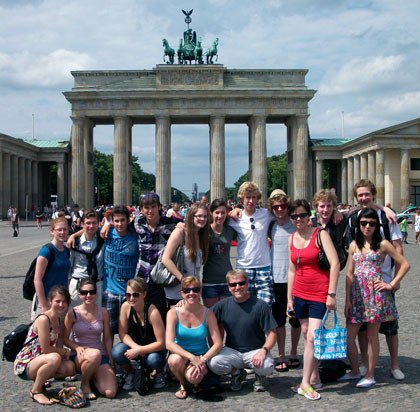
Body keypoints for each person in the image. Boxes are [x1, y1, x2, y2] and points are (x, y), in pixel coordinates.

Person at [343, 208, 410, 388]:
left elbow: (404, 264)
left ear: (376, 226)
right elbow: (349, 274)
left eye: (372, 223)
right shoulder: (353, 245)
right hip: (357, 295)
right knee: (350, 336)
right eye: (364, 223)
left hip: (376, 296)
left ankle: (370, 375)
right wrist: (347, 299)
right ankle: (356, 370)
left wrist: (391, 284)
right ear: (358, 224)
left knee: (373, 337)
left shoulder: (384, 244)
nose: (367, 226)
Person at [287, 199, 340, 401]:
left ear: (308, 215)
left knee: (313, 337)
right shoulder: (291, 238)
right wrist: (289, 299)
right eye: (294, 216)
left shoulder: (321, 234)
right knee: (306, 332)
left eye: (301, 215)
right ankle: (315, 377)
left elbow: (334, 263)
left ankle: (305, 383)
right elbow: (291, 270)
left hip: (319, 293)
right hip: (299, 293)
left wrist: (332, 293)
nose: (298, 219)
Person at [208, 269, 277, 393]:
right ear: (228, 287)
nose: (237, 287)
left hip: (255, 351)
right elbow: (202, 314)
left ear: (247, 283)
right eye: (233, 284)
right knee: (213, 363)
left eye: (241, 283)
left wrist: (264, 350)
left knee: (267, 365)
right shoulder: (222, 305)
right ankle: (238, 373)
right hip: (232, 351)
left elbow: (272, 334)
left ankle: (260, 375)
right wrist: (184, 303)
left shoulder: (261, 305)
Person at [14, 286, 76, 406]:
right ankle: (35, 391)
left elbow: (57, 343)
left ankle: (41, 383)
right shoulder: (44, 319)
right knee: (55, 358)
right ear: (50, 301)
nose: (61, 304)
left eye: (64, 301)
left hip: (41, 358)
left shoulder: (58, 319)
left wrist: (63, 353)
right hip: (26, 361)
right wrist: (63, 352)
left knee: (69, 367)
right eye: (57, 301)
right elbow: (46, 349)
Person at [166, 277, 222, 399]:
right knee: (174, 360)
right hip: (181, 356)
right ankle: (182, 383)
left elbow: (218, 343)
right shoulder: (173, 313)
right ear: (181, 293)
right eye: (187, 290)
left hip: (201, 355)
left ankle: (194, 381)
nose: (191, 293)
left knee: (193, 377)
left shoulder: (208, 313)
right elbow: (169, 343)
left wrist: (202, 360)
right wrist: (191, 357)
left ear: (200, 292)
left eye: (195, 290)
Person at [63, 279, 117, 399]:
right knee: (94, 355)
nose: (88, 295)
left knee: (110, 392)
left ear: (96, 293)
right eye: (84, 292)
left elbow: (107, 337)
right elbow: (64, 338)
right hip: (80, 355)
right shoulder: (73, 313)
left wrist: (110, 357)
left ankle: (92, 376)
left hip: (99, 355)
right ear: (79, 293)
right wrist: (76, 348)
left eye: (92, 292)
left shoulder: (103, 312)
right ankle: (85, 384)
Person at [267, 189, 301, 373]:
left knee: (295, 319)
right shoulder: (270, 224)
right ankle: (281, 355)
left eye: (283, 206)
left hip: (295, 278)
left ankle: (294, 352)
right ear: (271, 208)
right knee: (279, 319)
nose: (279, 209)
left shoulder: (296, 224)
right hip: (275, 278)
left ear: (288, 206)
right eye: (276, 206)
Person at [112, 278, 166, 391]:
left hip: (153, 349)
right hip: (134, 346)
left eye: (135, 295)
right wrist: (135, 348)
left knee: (154, 359)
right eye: (128, 295)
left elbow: (161, 343)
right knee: (117, 352)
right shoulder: (125, 307)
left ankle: (158, 372)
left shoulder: (153, 312)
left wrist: (140, 350)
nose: (131, 298)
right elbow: (122, 333)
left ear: (144, 294)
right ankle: (131, 372)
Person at [228, 181, 275, 306]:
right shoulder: (234, 219)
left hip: (264, 266)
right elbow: (214, 221)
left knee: (265, 307)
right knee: (245, 306)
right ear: (241, 198)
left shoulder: (266, 214)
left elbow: (286, 213)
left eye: (254, 197)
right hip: (244, 267)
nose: (250, 201)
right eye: (247, 197)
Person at [102, 205, 139, 338]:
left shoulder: (136, 236)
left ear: (128, 220)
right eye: (116, 221)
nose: (119, 224)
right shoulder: (106, 233)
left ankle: (128, 355)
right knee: (108, 330)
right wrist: (73, 236)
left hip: (129, 293)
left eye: (122, 220)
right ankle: (110, 358)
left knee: (130, 329)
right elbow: (87, 230)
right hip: (110, 291)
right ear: (112, 220)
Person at [162, 203, 209, 306]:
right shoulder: (180, 232)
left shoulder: (201, 236)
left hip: (193, 291)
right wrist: (183, 279)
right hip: (178, 290)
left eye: (205, 216)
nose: (203, 219)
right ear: (191, 216)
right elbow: (165, 259)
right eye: (199, 216)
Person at [32, 217, 71, 320]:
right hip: (47, 300)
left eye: (65, 229)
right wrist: (44, 304)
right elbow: (37, 279)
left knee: (59, 333)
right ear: (52, 231)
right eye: (59, 229)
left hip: (62, 301)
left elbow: (65, 276)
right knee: (45, 333)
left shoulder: (66, 251)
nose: (62, 232)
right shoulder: (46, 251)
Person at [202, 199, 236, 308]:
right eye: (217, 212)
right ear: (211, 213)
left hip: (227, 280)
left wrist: (237, 210)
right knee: (211, 317)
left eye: (223, 213)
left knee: (225, 319)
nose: (220, 216)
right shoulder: (204, 230)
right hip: (209, 282)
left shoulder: (230, 230)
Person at [68, 209, 104, 306]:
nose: (91, 226)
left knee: (96, 318)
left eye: (94, 223)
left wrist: (108, 224)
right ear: (83, 224)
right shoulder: (74, 243)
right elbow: (69, 265)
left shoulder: (103, 239)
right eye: (88, 223)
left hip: (97, 285)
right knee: (75, 317)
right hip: (77, 285)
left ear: (98, 223)